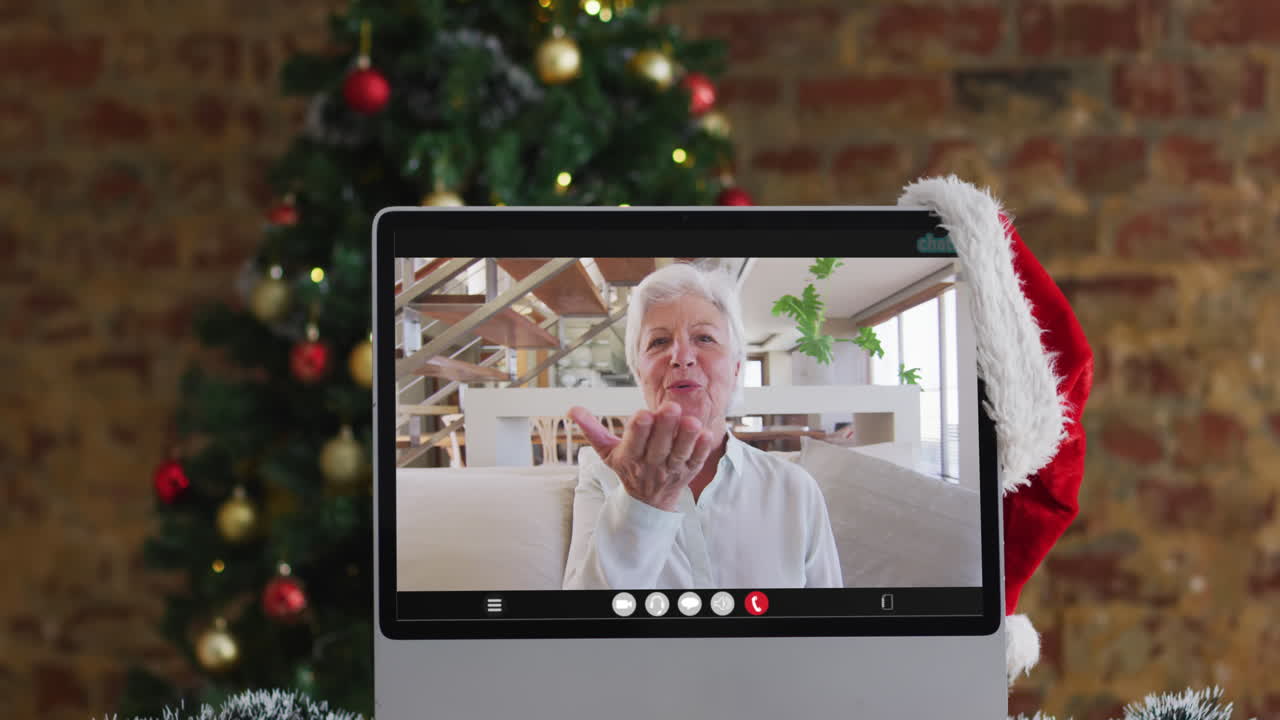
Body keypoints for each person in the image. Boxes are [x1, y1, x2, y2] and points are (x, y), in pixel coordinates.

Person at [562, 261, 842, 590]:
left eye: (704, 338)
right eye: (658, 342)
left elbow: (831, 628)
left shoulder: (794, 489)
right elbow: (583, 628)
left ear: (737, 368)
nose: (681, 356)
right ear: (640, 373)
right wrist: (642, 505)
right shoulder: (600, 476)